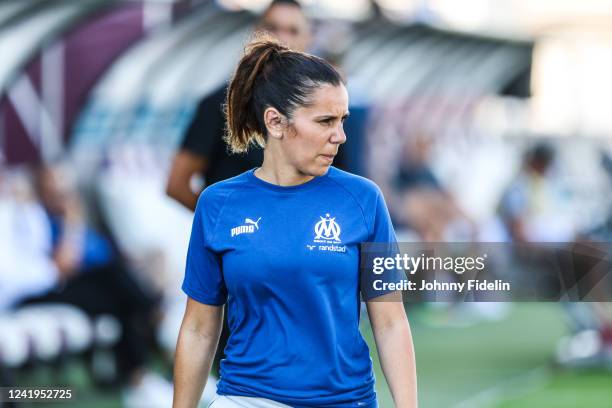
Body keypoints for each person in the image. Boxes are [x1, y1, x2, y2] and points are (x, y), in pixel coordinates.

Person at [173, 36, 417, 408]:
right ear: (275, 121)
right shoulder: (217, 204)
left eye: (342, 120)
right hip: (246, 398)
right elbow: (198, 328)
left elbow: (390, 321)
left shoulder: (364, 200)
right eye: (325, 121)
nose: (340, 135)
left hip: (344, 400)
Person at [166, 0, 312, 211]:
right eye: (272, 28)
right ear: (255, 33)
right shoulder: (221, 103)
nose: (281, 38)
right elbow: (177, 184)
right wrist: (224, 224)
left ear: (307, 39)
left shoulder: (319, 109)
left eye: (292, 30)